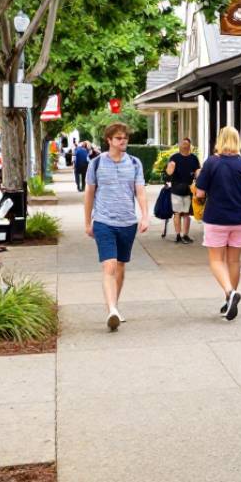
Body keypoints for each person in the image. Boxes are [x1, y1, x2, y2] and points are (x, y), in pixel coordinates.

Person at [83, 124, 148, 331]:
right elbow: (89, 194)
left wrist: (145, 216)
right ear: (109, 140)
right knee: (109, 265)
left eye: (125, 138)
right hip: (104, 222)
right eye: (119, 138)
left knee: (120, 266)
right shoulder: (96, 164)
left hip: (128, 222)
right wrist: (87, 222)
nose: (123, 141)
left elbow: (140, 192)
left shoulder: (135, 164)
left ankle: (115, 307)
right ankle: (111, 309)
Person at [193, 126, 241, 321]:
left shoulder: (212, 163)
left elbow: (199, 193)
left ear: (220, 140)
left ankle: (230, 292)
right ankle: (229, 298)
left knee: (216, 260)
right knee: (233, 261)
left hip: (216, 218)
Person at [164, 138, 202, 244]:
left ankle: (185, 235)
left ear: (190, 146)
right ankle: (178, 235)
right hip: (176, 189)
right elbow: (168, 173)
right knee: (177, 213)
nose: (185, 146)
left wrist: (199, 177)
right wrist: (170, 169)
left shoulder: (194, 158)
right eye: (183, 144)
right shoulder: (174, 157)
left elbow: (197, 171)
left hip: (189, 189)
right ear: (179, 146)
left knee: (186, 214)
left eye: (187, 144)